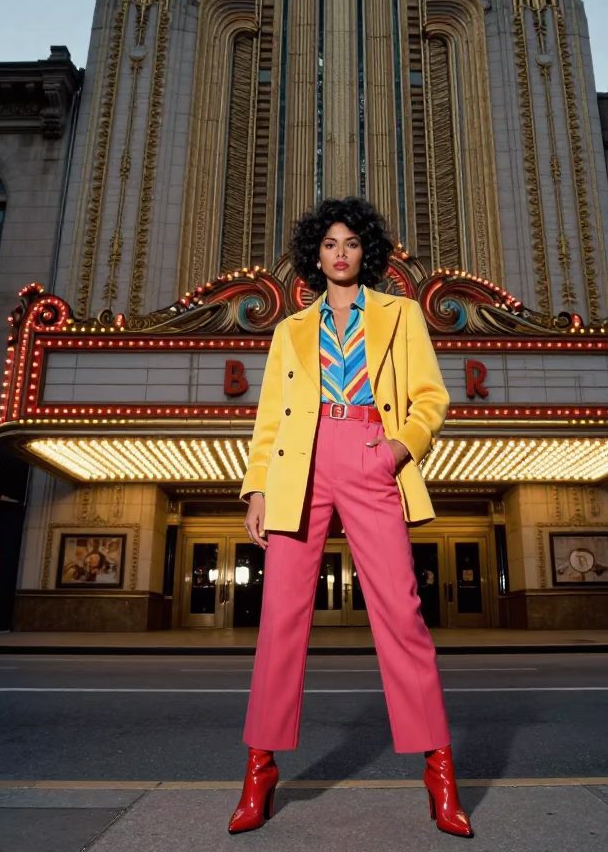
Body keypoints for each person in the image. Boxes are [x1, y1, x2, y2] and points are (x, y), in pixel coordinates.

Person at [228, 197, 473, 838]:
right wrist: (257, 489)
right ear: (317, 253)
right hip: (299, 468)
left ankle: (440, 771)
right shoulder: (291, 331)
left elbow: (432, 397)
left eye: (352, 243)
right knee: (280, 618)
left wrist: (397, 448)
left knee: (402, 611)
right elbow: (270, 419)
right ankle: (260, 768)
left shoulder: (402, 314)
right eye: (330, 243)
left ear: (367, 253)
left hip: (370, 454)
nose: (340, 253)